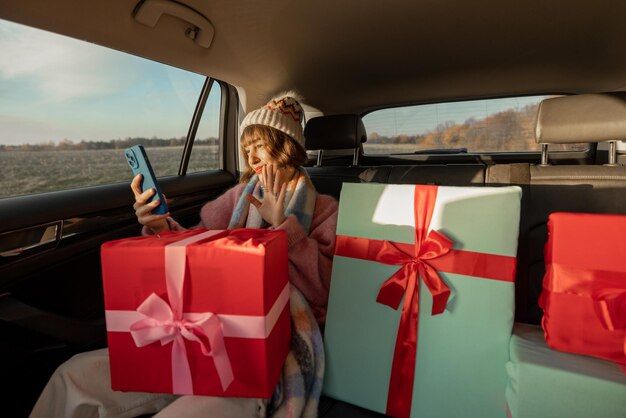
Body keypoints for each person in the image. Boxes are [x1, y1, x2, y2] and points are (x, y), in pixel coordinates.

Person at [29, 92, 339, 418]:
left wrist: (284, 227)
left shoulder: (324, 210)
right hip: (201, 326)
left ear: (285, 145)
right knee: (72, 375)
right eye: (247, 148)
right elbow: (195, 248)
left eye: (260, 144)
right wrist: (161, 224)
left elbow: (325, 290)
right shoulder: (239, 197)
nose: (251, 155)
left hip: (261, 351)